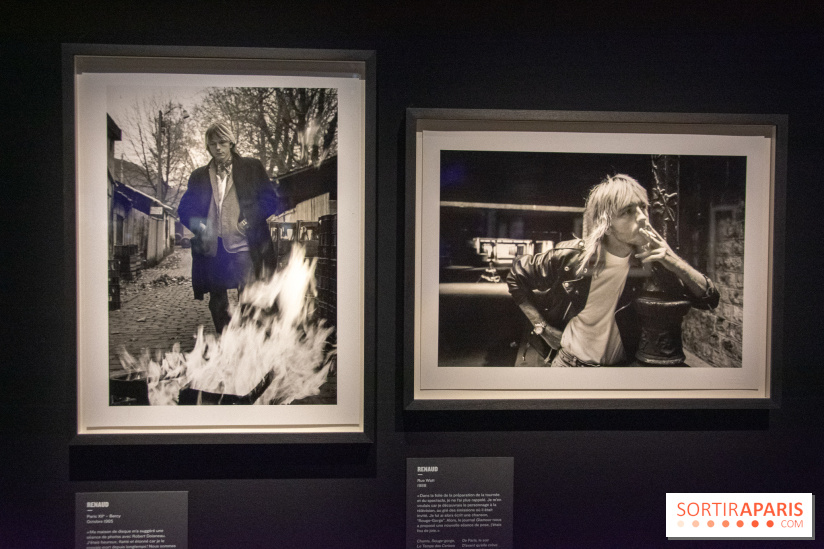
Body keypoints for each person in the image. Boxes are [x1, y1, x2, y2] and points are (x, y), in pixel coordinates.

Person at [506, 174, 719, 367]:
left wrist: (672, 259)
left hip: (619, 371)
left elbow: (709, 299)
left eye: (642, 207)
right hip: (568, 364)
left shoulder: (652, 262)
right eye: (627, 211)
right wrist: (541, 327)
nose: (643, 217)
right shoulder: (571, 256)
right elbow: (515, 275)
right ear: (606, 224)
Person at [178, 123, 279, 333]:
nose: (218, 148)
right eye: (213, 144)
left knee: (250, 296)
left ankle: (249, 341)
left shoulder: (251, 168)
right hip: (214, 249)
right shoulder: (199, 176)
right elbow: (185, 209)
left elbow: (270, 200)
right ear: (207, 147)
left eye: (222, 142)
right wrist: (201, 225)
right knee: (217, 300)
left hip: (244, 245)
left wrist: (250, 218)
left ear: (231, 143)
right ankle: (225, 341)